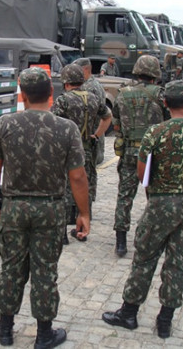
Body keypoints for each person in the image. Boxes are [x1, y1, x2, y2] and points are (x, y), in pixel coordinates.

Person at [0, 67, 90, 349]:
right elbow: (78, 176)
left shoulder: (4, 124)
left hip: (15, 208)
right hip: (50, 209)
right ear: (51, 94)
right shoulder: (66, 128)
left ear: (22, 94)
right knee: (45, 270)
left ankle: (5, 328)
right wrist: (84, 213)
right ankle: (44, 334)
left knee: (11, 268)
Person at [102, 80, 183, 339]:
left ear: (165, 104)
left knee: (144, 258)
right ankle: (165, 320)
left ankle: (129, 313)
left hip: (161, 203)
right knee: (178, 263)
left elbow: (143, 174)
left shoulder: (155, 133)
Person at [111, 55, 169, 257]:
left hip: (129, 151)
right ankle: (153, 236)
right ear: (154, 74)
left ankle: (120, 242)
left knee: (124, 196)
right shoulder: (161, 95)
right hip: (153, 153)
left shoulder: (122, 94)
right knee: (154, 196)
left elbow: (116, 123)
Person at [51, 64, 111, 242]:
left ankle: (61, 232)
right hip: (87, 147)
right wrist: (96, 135)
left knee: (63, 186)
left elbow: (53, 124)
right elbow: (107, 117)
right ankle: (82, 227)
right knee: (85, 184)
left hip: (67, 149)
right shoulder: (93, 98)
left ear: (66, 82)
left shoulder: (63, 100)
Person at [76, 57, 108, 167]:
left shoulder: (88, 87)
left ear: (85, 69)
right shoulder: (95, 84)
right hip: (95, 139)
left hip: (91, 139)